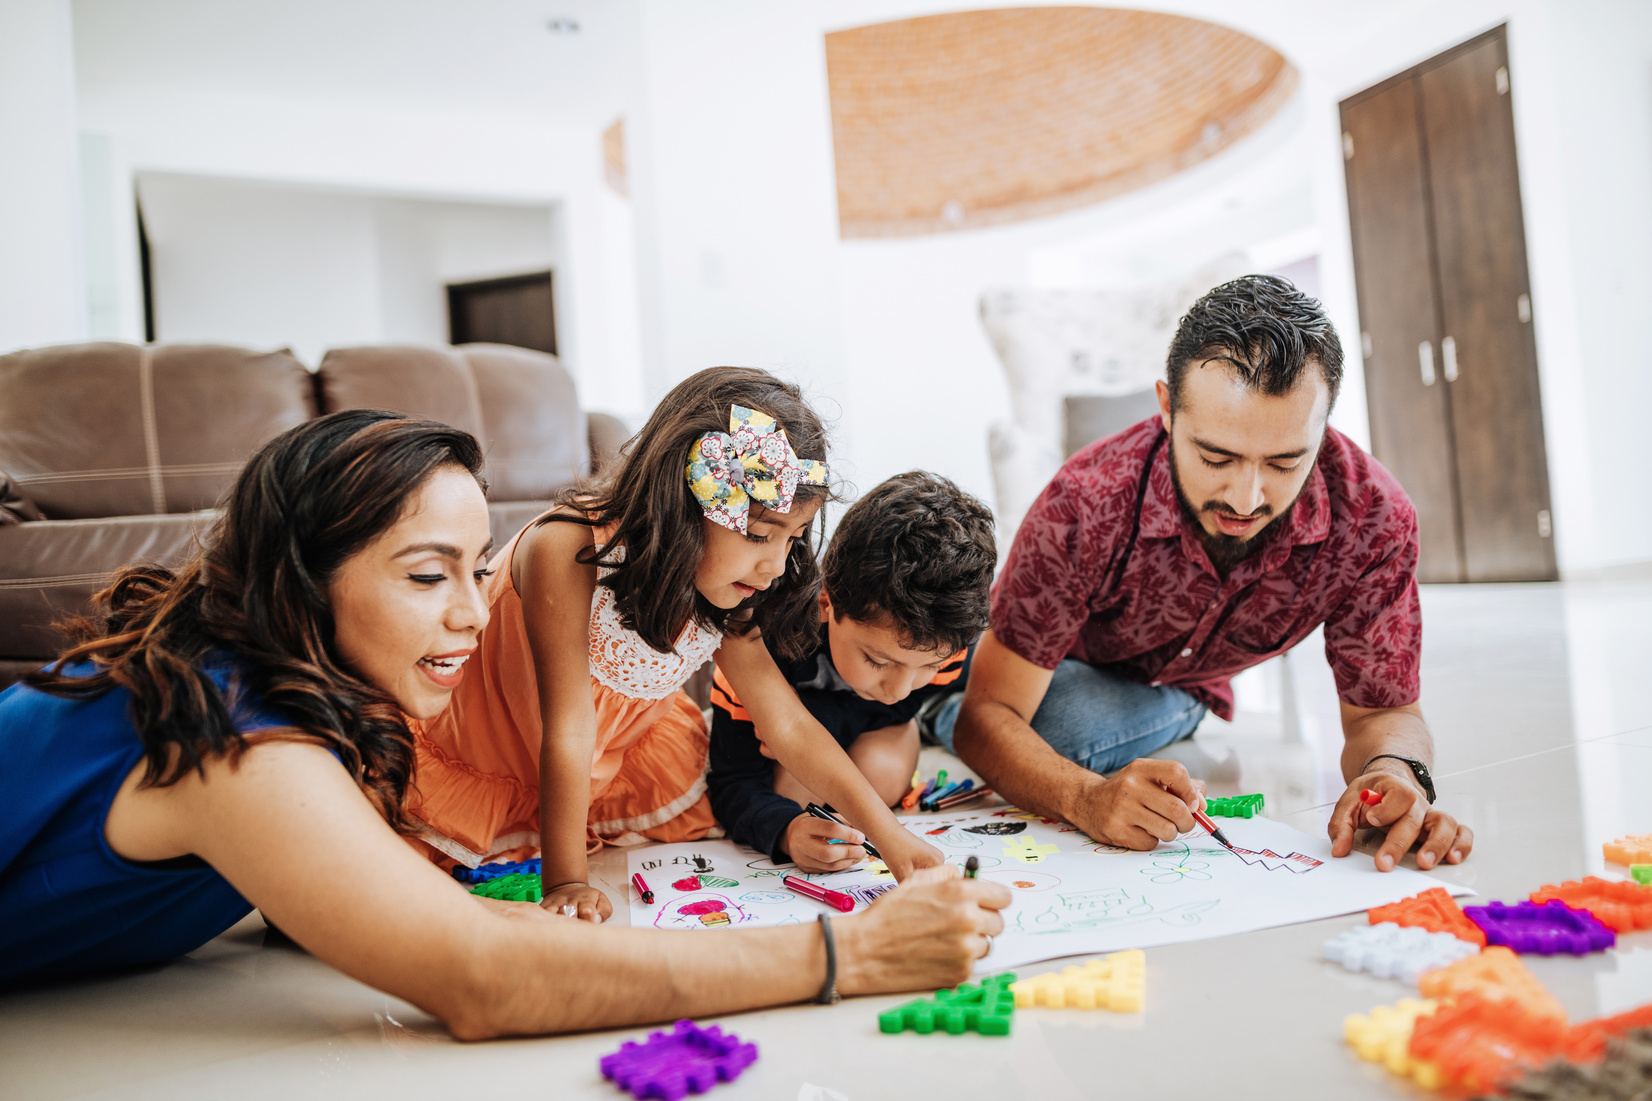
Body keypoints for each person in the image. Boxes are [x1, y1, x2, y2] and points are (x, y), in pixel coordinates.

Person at [0, 410, 1008, 1029]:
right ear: (300, 584)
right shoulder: (241, 738)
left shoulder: (307, 706)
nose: (477, 616)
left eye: (476, 570)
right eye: (426, 575)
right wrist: (852, 956)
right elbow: (479, 976)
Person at [948, 275, 1474, 873]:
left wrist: (1394, 773)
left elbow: (1385, 713)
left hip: (1178, 687)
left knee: (1063, 726)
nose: (1246, 498)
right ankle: (937, 687)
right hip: (1047, 663)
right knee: (1041, 719)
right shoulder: (1085, 502)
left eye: (1284, 461)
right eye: (1216, 457)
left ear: (1323, 425)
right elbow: (987, 716)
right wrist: (1084, 799)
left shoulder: (1374, 518)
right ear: (1168, 408)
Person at [406, 367, 945, 923]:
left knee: (724, 833)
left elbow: (787, 725)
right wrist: (567, 881)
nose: (776, 565)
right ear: (683, 503)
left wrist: (891, 838)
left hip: (611, 763)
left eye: (793, 538)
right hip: (493, 750)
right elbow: (567, 728)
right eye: (759, 534)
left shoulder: (735, 586)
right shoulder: (565, 548)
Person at [707, 471, 996, 867]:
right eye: (877, 660)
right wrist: (788, 831)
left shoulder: (945, 639)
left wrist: (821, 718)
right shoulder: (763, 641)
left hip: (872, 727)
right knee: (792, 788)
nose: (900, 688)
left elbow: (894, 705)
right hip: (781, 738)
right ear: (827, 603)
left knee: (882, 773)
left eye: (928, 666)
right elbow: (731, 782)